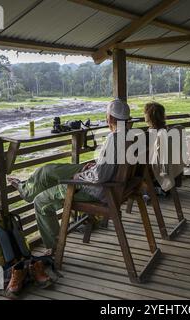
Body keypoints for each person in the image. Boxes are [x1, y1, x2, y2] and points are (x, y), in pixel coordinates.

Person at [7, 99, 130, 255]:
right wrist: (95, 165)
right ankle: (25, 189)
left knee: (41, 202)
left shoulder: (114, 139)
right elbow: (106, 168)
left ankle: (54, 250)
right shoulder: (128, 135)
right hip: (108, 183)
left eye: (107, 114)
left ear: (110, 118)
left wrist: (81, 175)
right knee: (48, 170)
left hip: (96, 188)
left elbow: (100, 176)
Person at [144, 102, 184, 194]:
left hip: (156, 170)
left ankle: (151, 189)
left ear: (148, 117)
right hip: (170, 168)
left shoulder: (152, 134)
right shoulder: (168, 131)